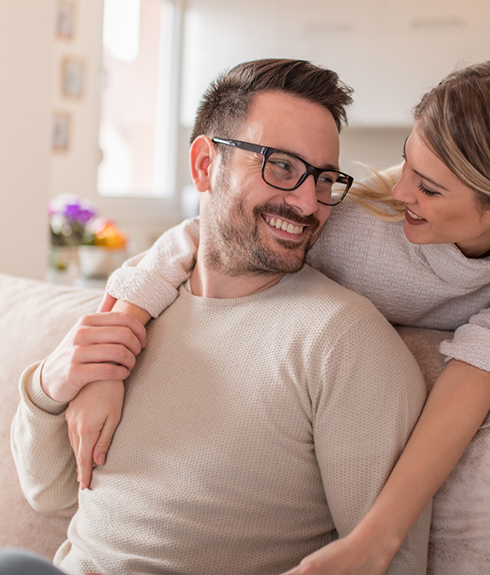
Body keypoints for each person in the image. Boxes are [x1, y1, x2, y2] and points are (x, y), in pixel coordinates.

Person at [64, 60, 490, 574]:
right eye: (406, 165)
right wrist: (109, 356)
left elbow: (471, 380)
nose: (400, 194)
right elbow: (207, 231)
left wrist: (374, 542)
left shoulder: (347, 337)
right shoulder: (350, 215)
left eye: (429, 188)